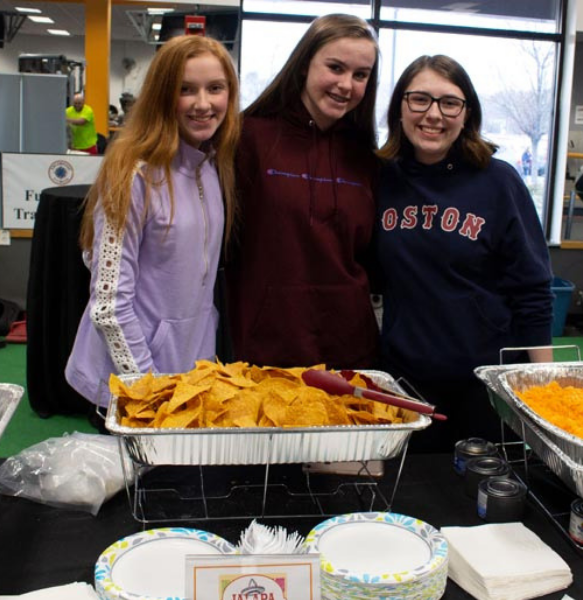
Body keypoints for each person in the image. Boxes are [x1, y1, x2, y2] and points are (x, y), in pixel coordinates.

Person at [375, 55, 554, 451]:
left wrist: (545, 385)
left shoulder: (498, 181)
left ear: (466, 112)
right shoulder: (381, 177)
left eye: (449, 102)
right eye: (419, 99)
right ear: (399, 108)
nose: (433, 114)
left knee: (487, 496)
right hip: (406, 378)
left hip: (487, 381)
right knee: (414, 493)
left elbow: (534, 290)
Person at [65, 35, 240, 413]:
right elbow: (109, 306)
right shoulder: (133, 174)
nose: (203, 104)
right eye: (186, 90)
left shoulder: (211, 166)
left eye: (215, 89)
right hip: (134, 386)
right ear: (163, 95)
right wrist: (150, 392)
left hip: (187, 378)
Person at [226, 14, 381, 369]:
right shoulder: (248, 137)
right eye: (336, 67)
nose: (346, 85)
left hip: (351, 348)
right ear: (303, 65)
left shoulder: (366, 156)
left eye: (360, 75)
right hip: (266, 347)